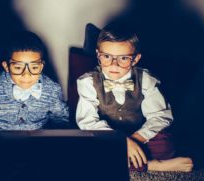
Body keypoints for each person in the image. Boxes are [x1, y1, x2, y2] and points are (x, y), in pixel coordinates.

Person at [76, 24, 193, 172]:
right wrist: (123, 142)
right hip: (107, 136)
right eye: (107, 57)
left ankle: (127, 161)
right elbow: (88, 122)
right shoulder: (88, 82)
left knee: (165, 145)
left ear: (136, 59)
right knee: (86, 151)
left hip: (140, 135)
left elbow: (161, 116)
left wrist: (135, 140)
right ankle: (152, 166)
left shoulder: (146, 79)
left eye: (123, 58)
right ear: (98, 54)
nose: (114, 64)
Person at [0, 31, 69, 172]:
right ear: (6, 66)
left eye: (34, 67)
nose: (26, 74)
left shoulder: (52, 89)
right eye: (18, 67)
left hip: (33, 139)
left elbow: (61, 117)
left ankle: (8, 159)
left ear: (41, 66)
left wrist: (57, 137)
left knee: (59, 145)